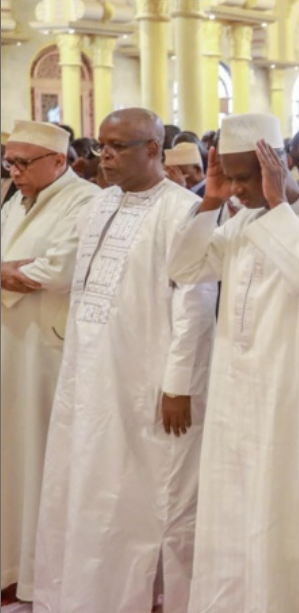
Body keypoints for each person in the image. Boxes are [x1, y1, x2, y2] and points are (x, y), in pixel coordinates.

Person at [167, 113, 299, 613]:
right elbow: (184, 267)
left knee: (294, 511)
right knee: (235, 508)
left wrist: (273, 203)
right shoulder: (239, 217)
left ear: (279, 164)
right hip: (239, 390)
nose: (235, 189)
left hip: (297, 391)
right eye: (227, 177)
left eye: (243, 177)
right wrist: (209, 200)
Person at [34, 109, 217, 612]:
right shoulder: (96, 205)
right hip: (88, 372)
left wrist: (178, 384)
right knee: (84, 482)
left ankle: (138, 597)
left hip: (147, 378)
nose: (104, 157)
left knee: (143, 497)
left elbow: (194, 304)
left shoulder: (183, 210)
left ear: (153, 149)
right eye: (100, 146)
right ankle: (84, 593)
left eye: (117, 147)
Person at [1, 122, 101, 604]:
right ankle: (10, 561)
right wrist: (10, 273)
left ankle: (39, 570)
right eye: (10, 161)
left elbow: (56, 270)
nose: (13, 171)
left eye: (23, 163)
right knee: (10, 456)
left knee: (39, 455)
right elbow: (16, 267)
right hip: (10, 341)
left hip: (44, 347)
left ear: (58, 161)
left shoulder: (83, 200)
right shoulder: (18, 198)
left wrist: (18, 273)